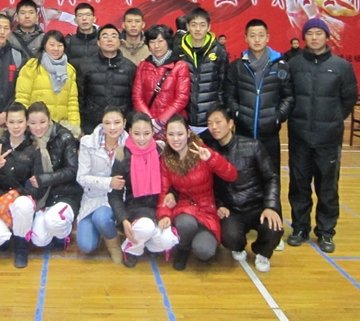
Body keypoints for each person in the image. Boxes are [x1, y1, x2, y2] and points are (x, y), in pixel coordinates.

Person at [286, 17, 358, 254]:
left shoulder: (341, 67)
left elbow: (349, 98)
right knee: (299, 187)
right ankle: (299, 229)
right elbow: (287, 96)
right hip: (299, 137)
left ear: (327, 37)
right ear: (303, 37)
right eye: (310, 33)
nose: (314, 37)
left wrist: (333, 119)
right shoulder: (294, 65)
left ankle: (326, 232)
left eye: (319, 33)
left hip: (328, 139)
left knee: (327, 188)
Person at [206, 105, 283, 273]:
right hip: (232, 210)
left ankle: (262, 251)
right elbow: (208, 185)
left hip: (257, 206)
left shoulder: (253, 146)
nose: (214, 127)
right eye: (210, 123)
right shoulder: (209, 152)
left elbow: (271, 177)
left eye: (218, 122)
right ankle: (239, 246)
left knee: (274, 226)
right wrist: (219, 205)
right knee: (229, 237)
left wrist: (270, 207)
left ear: (231, 124)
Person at [156, 115, 237, 271]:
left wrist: (212, 159)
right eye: (171, 134)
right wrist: (165, 214)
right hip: (184, 208)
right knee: (185, 223)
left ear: (188, 133)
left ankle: (195, 236)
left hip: (207, 210)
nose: (175, 139)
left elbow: (232, 175)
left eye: (180, 134)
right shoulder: (166, 159)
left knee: (204, 251)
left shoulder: (202, 151)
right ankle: (183, 247)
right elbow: (164, 190)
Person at [0, 102, 44, 268]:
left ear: (26, 123)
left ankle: (21, 246)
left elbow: (37, 185)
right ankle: (5, 239)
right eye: (11, 122)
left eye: (20, 121)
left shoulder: (34, 148)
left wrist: (15, 195)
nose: (16, 126)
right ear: (5, 123)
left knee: (23, 204)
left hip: (20, 201)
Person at [222, 19, 294, 174]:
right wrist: (237, 113)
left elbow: (288, 96)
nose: (257, 39)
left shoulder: (281, 65)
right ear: (246, 38)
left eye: (261, 35)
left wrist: (278, 116)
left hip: (270, 134)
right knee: (244, 177)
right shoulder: (237, 67)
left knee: (271, 176)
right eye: (252, 35)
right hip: (243, 133)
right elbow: (229, 95)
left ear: (267, 37)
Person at [108, 112, 179, 267]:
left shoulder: (162, 152)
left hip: (158, 209)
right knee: (145, 227)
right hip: (134, 210)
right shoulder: (122, 155)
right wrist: (123, 219)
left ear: (153, 133)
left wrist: (172, 195)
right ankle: (131, 249)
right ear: (130, 132)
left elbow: (173, 183)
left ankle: (149, 245)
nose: (141, 138)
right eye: (137, 133)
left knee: (170, 240)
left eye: (146, 133)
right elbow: (115, 195)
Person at [22, 102, 83, 255]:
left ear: (50, 119)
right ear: (27, 123)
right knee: (39, 240)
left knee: (54, 221)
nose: (38, 127)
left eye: (42, 122)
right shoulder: (26, 139)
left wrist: (44, 179)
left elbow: (72, 170)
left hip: (65, 193)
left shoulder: (65, 137)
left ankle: (63, 234)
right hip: (42, 196)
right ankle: (47, 221)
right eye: (33, 123)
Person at [76, 106, 128, 263]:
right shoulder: (87, 142)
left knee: (101, 217)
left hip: (116, 199)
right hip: (92, 198)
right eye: (107, 123)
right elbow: (81, 178)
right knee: (86, 246)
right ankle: (102, 230)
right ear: (102, 124)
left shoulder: (131, 144)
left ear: (124, 123)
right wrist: (109, 182)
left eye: (117, 122)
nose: (112, 127)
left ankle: (114, 246)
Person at [15, 30, 81, 136]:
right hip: (36, 128)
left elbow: (72, 103)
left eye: (60, 45)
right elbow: (22, 99)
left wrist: (74, 129)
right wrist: (23, 125)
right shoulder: (31, 67)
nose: (56, 49)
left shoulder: (69, 70)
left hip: (60, 129)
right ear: (44, 46)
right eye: (52, 45)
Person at [77, 24, 137, 135]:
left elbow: (134, 100)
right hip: (92, 126)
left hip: (121, 126)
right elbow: (80, 98)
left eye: (113, 36)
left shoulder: (130, 67)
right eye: (105, 36)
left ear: (119, 42)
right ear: (98, 42)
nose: (109, 39)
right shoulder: (86, 66)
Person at [133, 24, 190, 139]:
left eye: (160, 41)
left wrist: (161, 121)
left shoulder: (180, 66)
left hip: (173, 125)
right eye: (152, 42)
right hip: (148, 126)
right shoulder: (143, 66)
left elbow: (181, 99)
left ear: (168, 42)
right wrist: (150, 121)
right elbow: (137, 96)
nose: (156, 46)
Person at [177, 7, 228, 136]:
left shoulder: (219, 51)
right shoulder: (179, 50)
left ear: (209, 27)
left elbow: (223, 86)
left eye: (202, 25)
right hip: (185, 120)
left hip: (210, 122)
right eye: (194, 25)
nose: (198, 29)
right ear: (187, 27)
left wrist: (220, 113)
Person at [65, 3, 98, 69]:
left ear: (94, 19)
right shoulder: (68, 42)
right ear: (75, 20)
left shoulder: (102, 41)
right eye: (80, 15)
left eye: (88, 15)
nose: (84, 18)